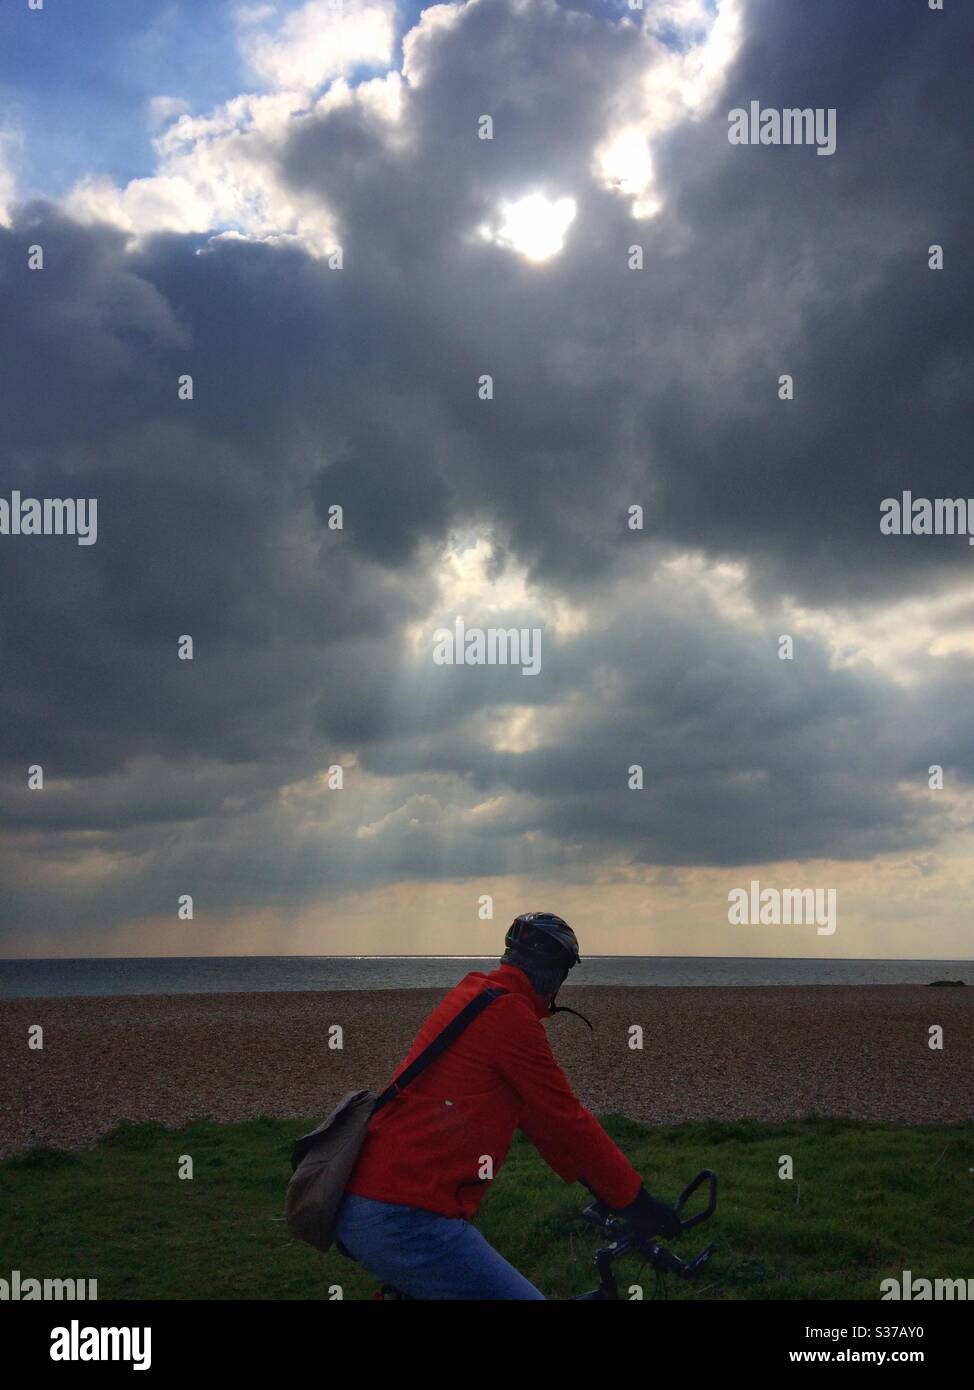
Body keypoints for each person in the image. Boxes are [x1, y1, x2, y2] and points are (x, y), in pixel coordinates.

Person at [335, 911, 681, 1299]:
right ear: (555, 973)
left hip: (368, 1201)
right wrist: (636, 1201)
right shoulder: (509, 1014)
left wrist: (599, 1186)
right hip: (406, 1217)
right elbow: (568, 1119)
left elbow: (537, 1119)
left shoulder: (475, 994)